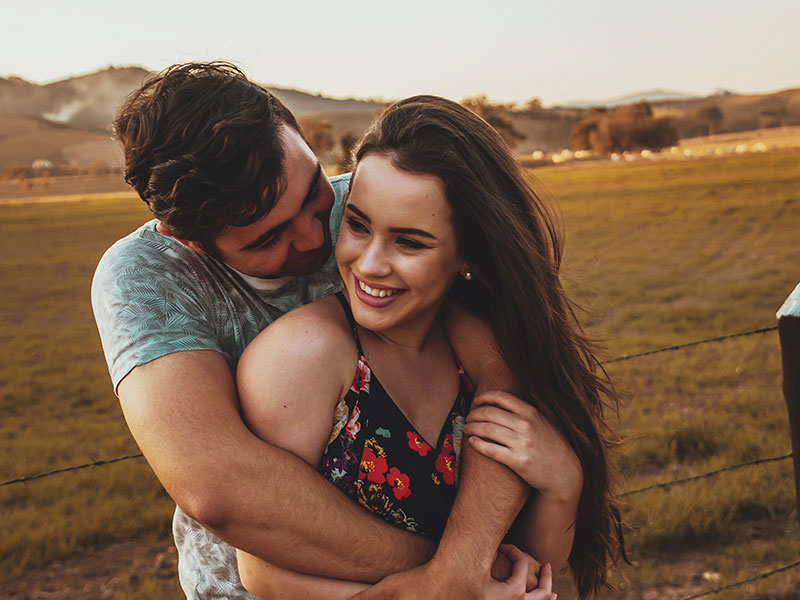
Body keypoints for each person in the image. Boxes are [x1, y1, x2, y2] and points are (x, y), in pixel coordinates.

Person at [91, 62, 565, 600]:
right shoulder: (148, 276)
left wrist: (464, 564)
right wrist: (444, 575)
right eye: (269, 238)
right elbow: (219, 487)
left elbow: (501, 373)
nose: (318, 236)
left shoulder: (369, 208)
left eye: (313, 192)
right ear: (193, 240)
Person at [234, 96, 625, 599]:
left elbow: (529, 563)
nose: (370, 264)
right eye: (358, 225)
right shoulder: (301, 356)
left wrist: (563, 483)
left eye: (409, 242)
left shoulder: (486, 353)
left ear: (468, 255)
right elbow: (264, 571)